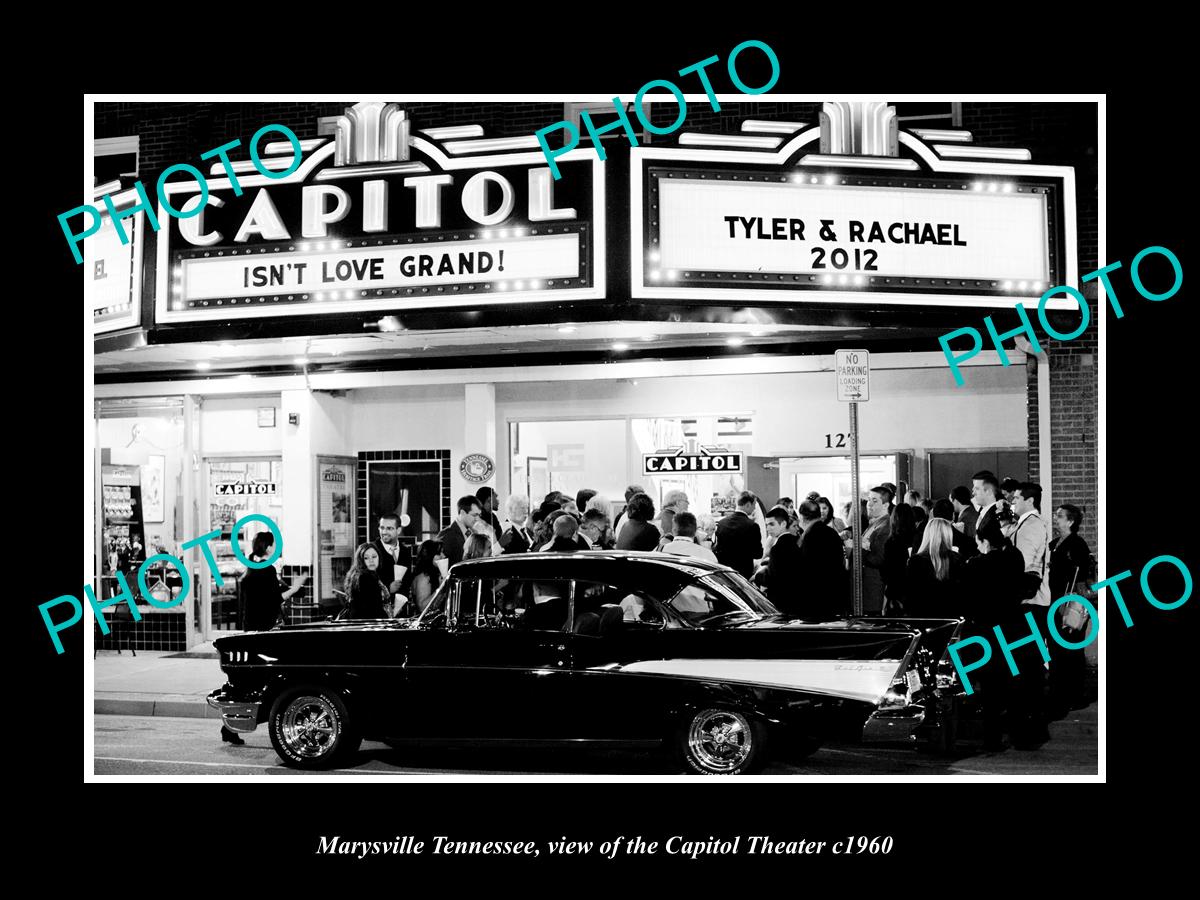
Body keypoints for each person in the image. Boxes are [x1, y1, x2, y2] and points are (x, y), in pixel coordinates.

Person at [962, 517, 1047, 751]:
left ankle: (993, 738)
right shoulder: (1015, 558)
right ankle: (1020, 733)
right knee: (1015, 682)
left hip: (987, 629)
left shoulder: (976, 565)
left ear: (984, 541)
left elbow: (969, 598)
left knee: (990, 686)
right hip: (1014, 626)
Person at [222, 531, 306, 745]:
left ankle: (230, 725)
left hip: (251, 629)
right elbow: (274, 599)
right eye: (275, 544)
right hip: (264, 631)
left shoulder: (252, 565)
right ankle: (232, 724)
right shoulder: (266, 570)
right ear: (268, 547)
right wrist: (295, 587)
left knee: (250, 679)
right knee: (260, 679)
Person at [1047, 503, 1092, 716]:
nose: (1056, 519)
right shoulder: (1055, 543)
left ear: (1071, 521)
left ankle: (1074, 694)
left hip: (1068, 602)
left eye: (1060, 516)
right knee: (1057, 649)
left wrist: (1072, 602)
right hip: (1055, 601)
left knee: (1071, 649)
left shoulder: (1077, 544)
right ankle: (1059, 692)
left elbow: (1081, 577)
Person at [794, 499, 849, 620]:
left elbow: (807, 570)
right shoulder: (832, 533)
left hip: (816, 600)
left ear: (801, 517)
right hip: (834, 595)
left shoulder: (809, 536)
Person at [906, 519, 964, 618]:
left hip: (924, 616)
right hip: (951, 617)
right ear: (948, 535)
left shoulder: (915, 561)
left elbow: (911, 595)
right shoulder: (957, 559)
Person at [847, 487, 891, 615]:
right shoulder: (874, 524)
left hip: (872, 590)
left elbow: (879, 559)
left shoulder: (884, 527)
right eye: (868, 500)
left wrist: (856, 550)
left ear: (885, 505)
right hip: (865, 588)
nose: (869, 504)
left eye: (875, 501)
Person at [1011, 482, 1051, 608]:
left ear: (1030, 501)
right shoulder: (1029, 522)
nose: (1013, 501)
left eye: (1017, 498)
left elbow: (1022, 563)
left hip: (1030, 600)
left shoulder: (1031, 525)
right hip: (1030, 598)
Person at [713, 491, 764, 579]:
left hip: (725, 572)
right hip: (743, 573)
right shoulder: (752, 526)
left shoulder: (721, 523)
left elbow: (718, 549)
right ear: (748, 504)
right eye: (754, 504)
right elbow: (758, 554)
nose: (755, 508)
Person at [439, 495, 498, 565]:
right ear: (462, 513)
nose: (478, 519)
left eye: (479, 515)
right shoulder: (447, 535)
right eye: (474, 515)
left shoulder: (472, 531)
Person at [763, 505, 801, 613]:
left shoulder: (778, 548)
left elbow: (775, 580)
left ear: (783, 524)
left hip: (782, 604)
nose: (768, 528)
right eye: (766, 525)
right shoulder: (794, 543)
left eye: (771, 524)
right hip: (795, 602)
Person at [882, 503, 916, 615]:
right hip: (912, 587)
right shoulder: (917, 538)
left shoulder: (891, 542)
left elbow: (886, 570)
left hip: (895, 588)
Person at [370, 513, 412, 599]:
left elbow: (407, 582)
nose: (384, 532)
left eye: (389, 528)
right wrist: (388, 589)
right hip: (377, 609)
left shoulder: (405, 552)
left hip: (400, 608)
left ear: (399, 530)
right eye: (382, 528)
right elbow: (364, 586)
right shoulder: (370, 551)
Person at [344, 542, 389, 620]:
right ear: (360, 560)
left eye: (374, 557)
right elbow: (374, 609)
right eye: (366, 558)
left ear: (379, 557)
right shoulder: (365, 577)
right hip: (367, 624)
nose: (371, 560)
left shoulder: (357, 574)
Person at [402, 540, 444, 617]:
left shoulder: (434, 575)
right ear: (429, 555)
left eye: (443, 552)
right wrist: (440, 589)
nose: (443, 556)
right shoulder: (424, 577)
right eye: (438, 553)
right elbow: (422, 607)